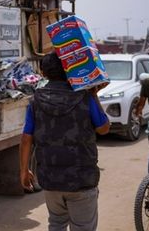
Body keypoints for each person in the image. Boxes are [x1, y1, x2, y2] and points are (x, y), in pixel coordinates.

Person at [19, 52, 110, 231]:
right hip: (82, 179)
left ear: (43, 73)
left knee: (56, 223)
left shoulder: (36, 100)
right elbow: (104, 128)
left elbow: (26, 137)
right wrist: (94, 95)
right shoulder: (85, 96)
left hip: (50, 179)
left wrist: (23, 170)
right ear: (69, 70)